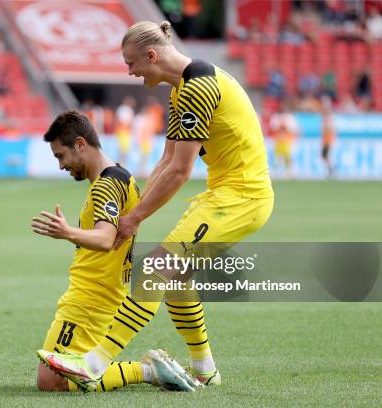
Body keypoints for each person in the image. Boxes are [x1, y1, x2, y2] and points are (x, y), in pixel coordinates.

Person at [42, 20, 274, 389]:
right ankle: (204, 369)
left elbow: (181, 171)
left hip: (242, 198)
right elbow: (166, 160)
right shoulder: (184, 88)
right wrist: (137, 205)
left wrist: (133, 218)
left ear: (152, 55)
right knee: (177, 279)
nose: (130, 72)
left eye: (131, 63)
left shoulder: (198, 86)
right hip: (223, 196)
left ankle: (95, 363)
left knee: (155, 271)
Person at [33, 110, 198, 393]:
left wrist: (67, 232)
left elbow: (106, 238)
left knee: (52, 381)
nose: (61, 165)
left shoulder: (106, 186)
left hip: (92, 299)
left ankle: (147, 371)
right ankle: (146, 370)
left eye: (61, 156)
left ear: (81, 144)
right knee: (58, 372)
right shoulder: (121, 177)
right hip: (99, 294)